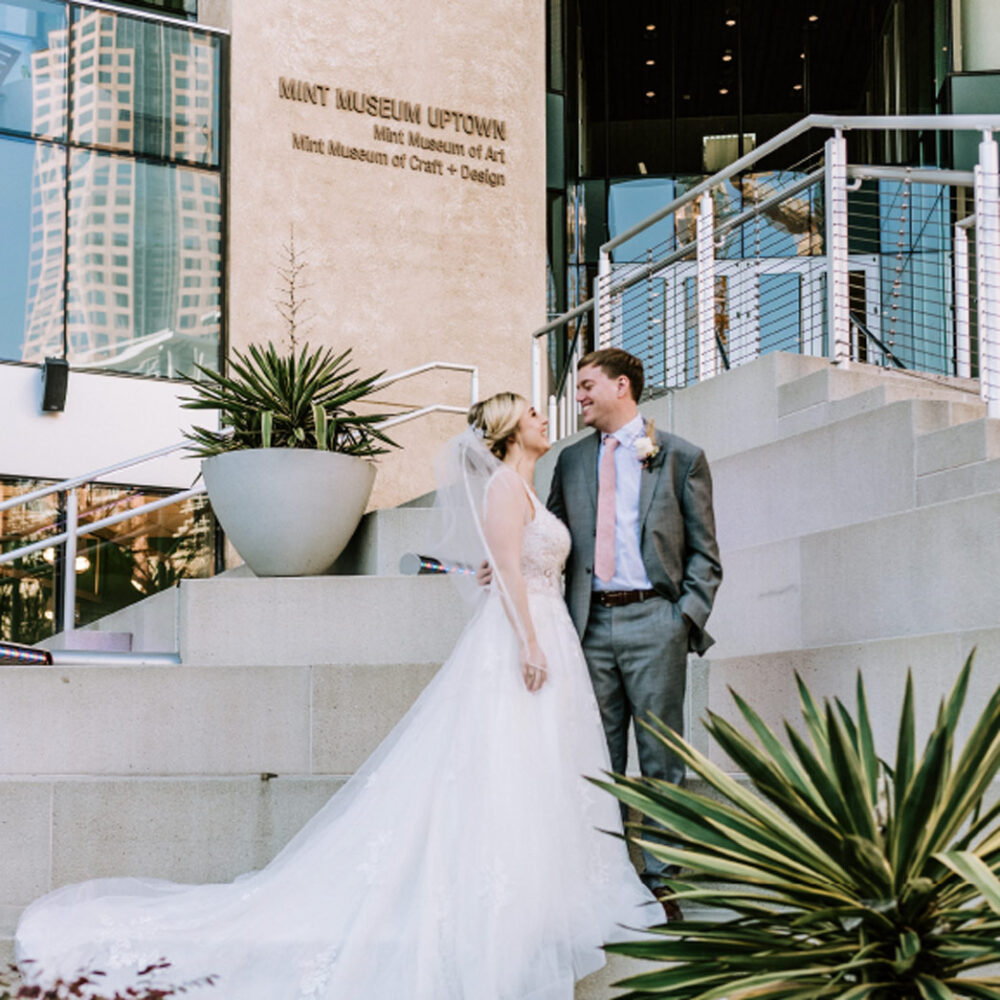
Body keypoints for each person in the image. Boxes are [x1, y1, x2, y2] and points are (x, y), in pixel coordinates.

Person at [16, 392, 656, 1000]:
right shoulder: (501, 486)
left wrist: (517, 598)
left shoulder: (525, 487)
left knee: (539, 764)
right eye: (536, 414)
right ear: (513, 429)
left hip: (546, 629)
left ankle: (548, 889)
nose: (548, 421)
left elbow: (506, 560)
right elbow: (512, 569)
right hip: (526, 636)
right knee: (507, 758)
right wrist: (528, 641)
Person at [547, 348, 722, 917]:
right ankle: (609, 876)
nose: (579, 396)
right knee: (597, 755)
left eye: (588, 385)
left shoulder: (680, 457)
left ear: (622, 386)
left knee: (660, 757)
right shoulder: (570, 462)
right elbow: (549, 538)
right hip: (589, 624)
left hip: (655, 620)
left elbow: (705, 555)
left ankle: (664, 879)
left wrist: (683, 620)